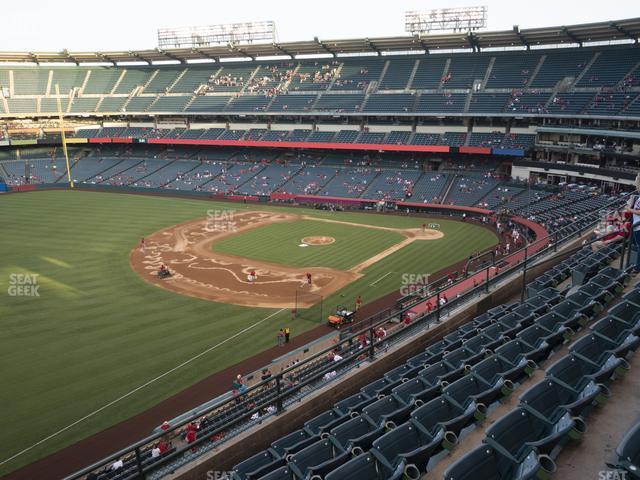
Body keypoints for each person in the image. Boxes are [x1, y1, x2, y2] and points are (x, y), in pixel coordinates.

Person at [627, 174, 640, 273]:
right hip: (636, 226)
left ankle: (637, 268)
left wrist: (629, 209)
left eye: (636, 181)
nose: (635, 184)